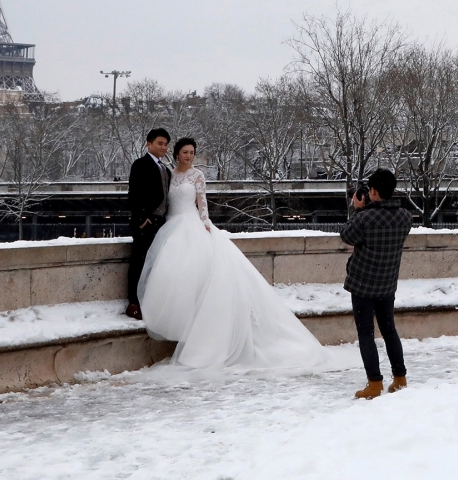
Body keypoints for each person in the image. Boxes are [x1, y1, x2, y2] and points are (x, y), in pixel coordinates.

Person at [138, 137, 335, 370]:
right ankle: (184, 330)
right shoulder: (168, 174)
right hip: (171, 227)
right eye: (185, 152)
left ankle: (201, 336)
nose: (189, 156)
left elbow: (202, 206)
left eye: (192, 152)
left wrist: (206, 226)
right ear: (177, 153)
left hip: (191, 226)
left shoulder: (197, 176)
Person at [339, 167, 412, 399]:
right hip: (387, 283)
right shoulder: (404, 217)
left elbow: (347, 236)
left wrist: (358, 210)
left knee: (366, 334)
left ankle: (374, 383)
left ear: (372, 191)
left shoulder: (365, 218)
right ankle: (400, 377)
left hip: (362, 284)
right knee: (389, 330)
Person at [125, 127, 172, 320]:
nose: (164, 147)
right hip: (146, 222)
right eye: (160, 143)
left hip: (161, 222)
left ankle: (149, 301)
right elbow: (134, 194)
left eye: (166, 144)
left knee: (156, 265)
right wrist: (143, 220)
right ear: (149, 144)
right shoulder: (140, 164)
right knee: (139, 261)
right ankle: (133, 302)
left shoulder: (165, 169)